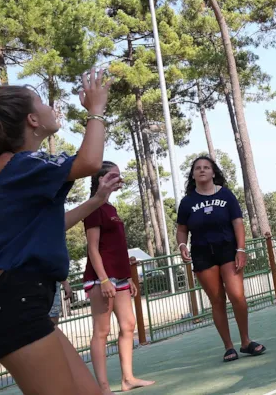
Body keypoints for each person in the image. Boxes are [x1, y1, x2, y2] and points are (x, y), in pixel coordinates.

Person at [0, 69, 117, 394]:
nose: (50, 107)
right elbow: (89, 162)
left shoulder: (13, 170)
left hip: (19, 303)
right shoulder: (21, 165)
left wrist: (96, 201)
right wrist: (96, 111)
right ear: (32, 120)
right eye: (42, 101)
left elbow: (51, 227)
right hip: (14, 306)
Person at [176, 156, 265, 362]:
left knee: (237, 295)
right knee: (217, 300)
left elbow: (238, 223)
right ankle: (228, 347)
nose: (202, 170)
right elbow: (181, 230)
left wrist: (241, 249)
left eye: (206, 167)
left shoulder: (226, 195)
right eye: (197, 168)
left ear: (213, 172)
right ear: (193, 174)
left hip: (228, 249)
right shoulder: (187, 202)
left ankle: (245, 341)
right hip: (202, 253)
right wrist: (182, 245)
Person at [83, 161, 155, 394]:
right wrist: (104, 279)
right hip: (101, 278)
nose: (119, 179)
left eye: (119, 176)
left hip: (121, 277)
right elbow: (93, 249)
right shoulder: (93, 208)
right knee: (101, 332)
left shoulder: (111, 209)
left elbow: (118, 247)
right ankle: (103, 388)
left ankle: (128, 378)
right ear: (101, 179)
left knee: (129, 325)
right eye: (114, 176)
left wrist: (128, 277)